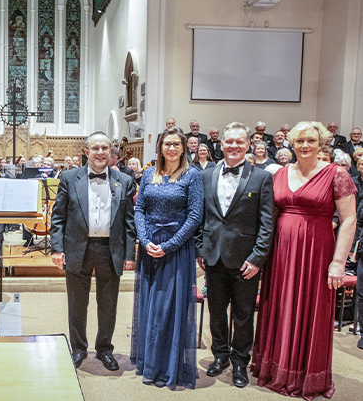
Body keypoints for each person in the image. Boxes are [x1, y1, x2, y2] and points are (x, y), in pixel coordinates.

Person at [252, 121, 357, 400]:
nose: (305, 146)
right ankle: (277, 369)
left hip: (317, 251)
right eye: (299, 141)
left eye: (311, 140)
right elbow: (269, 215)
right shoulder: (281, 173)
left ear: (321, 143)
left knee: (310, 307)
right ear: (292, 144)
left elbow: (348, 221)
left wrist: (338, 262)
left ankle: (305, 374)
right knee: (281, 303)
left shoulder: (337, 174)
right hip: (282, 251)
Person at [195, 122, 274, 388]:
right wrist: (200, 250)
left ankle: (240, 362)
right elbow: (200, 218)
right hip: (213, 257)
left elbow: (267, 224)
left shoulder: (262, 177)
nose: (234, 146)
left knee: (242, 315)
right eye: (229, 141)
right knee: (216, 312)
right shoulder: (207, 175)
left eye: (240, 142)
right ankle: (221, 356)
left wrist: (257, 258)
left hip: (246, 260)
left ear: (248, 145)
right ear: (222, 144)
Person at [50, 131, 137, 371]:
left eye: (105, 148)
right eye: (95, 148)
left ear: (111, 153)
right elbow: (58, 218)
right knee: (77, 303)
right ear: (86, 151)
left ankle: (104, 349)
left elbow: (129, 223)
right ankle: (78, 348)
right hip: (78, 247)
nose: (100, 153)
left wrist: (130, 255)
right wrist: (57, 248)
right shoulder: (69, 178)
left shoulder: (124, 180)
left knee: (108, 303)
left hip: (111, 248)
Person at [132, 127, 202, 389]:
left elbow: (195, 216)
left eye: (176, 144)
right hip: (150, 247)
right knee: (150, 305)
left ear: (184, 147)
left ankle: (168, 367)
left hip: (176, 249)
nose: (171, 148)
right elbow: (139, 208)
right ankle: (150, 363)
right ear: (160, 147)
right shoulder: (149, 173)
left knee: (168, 308)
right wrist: (144, 238)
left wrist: (170, 245)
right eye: (167, 144)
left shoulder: (192, 176)